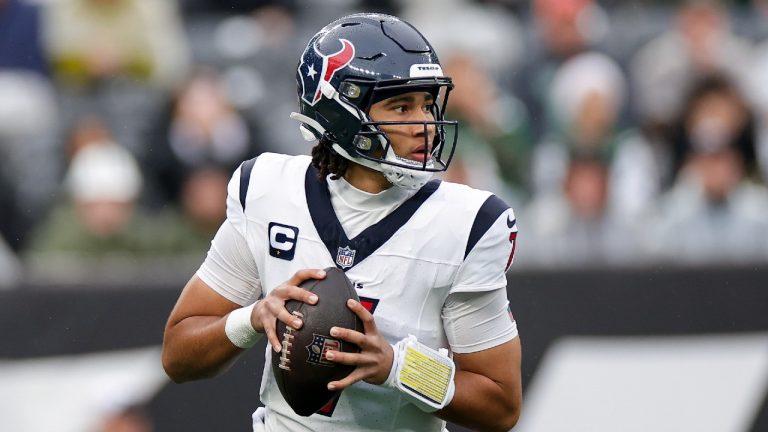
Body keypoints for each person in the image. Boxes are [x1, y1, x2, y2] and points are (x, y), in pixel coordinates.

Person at [162, 13, 522, 432]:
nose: (425, 124)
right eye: (402, 106)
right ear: (341, 115)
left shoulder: (468, 222)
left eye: (427, 104)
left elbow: (501, 404)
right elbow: (178, 354)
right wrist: (254, 317)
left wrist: (396, 367)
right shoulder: (268, 190)